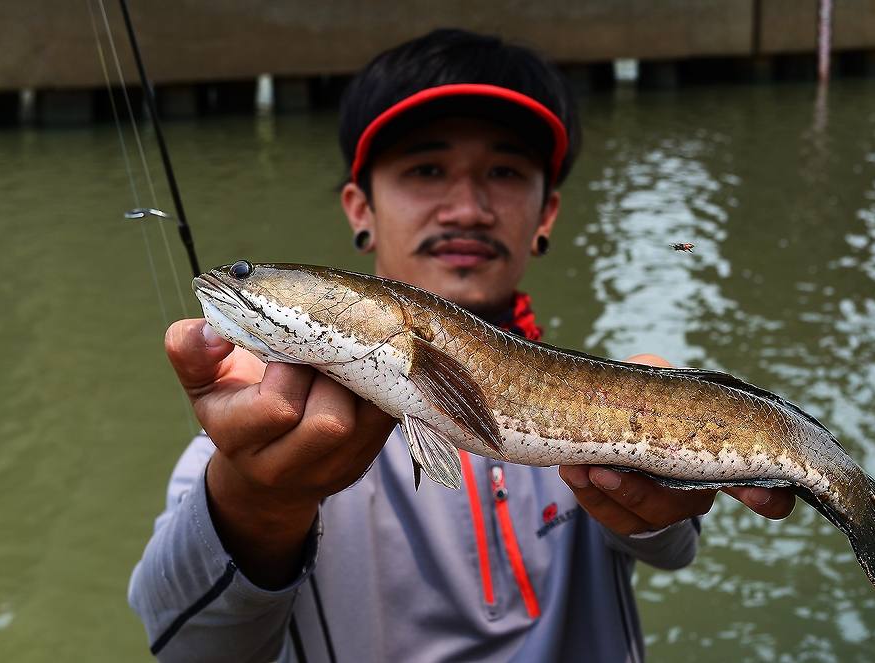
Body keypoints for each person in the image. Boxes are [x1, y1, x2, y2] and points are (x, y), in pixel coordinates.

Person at [129, 29, 794, 662]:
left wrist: (657, 505)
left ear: (547, 215)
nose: (467, 207)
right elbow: (184, 642)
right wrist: (256, 500)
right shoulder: (259, 422)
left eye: (504, 171)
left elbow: (674, 548)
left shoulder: (603, 382)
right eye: (426, 168)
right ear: (359, 207)